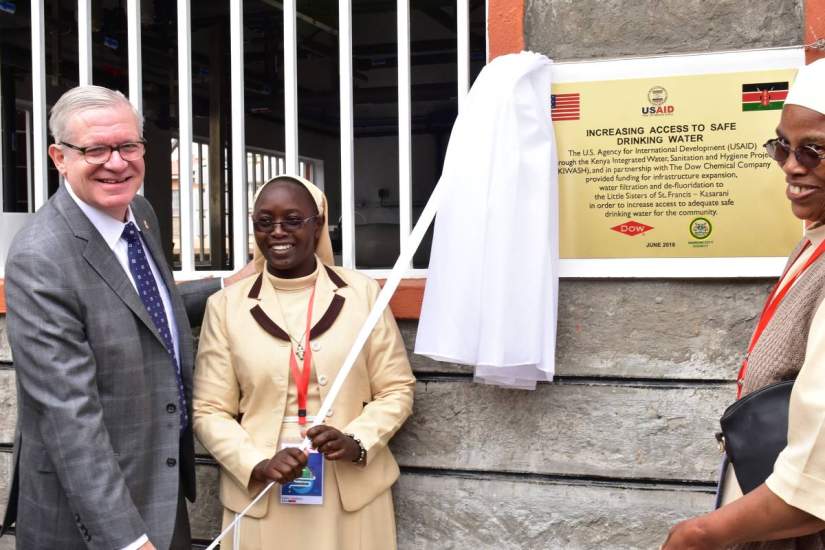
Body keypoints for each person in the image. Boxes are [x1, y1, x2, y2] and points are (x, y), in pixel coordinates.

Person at [0, 85, 253, 549]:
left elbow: (141, 304)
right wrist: (127, 540)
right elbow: (68, 418)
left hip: (159, 484)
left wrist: (223, 288)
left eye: (128, 145)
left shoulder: (138, 210)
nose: (116, 162)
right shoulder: (42, 257)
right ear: (59, 157)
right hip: (88, 515)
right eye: (95, 148)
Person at [193, 175, 415, 550]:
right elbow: (209, 409)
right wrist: (257, 463)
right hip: (263, 485)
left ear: (317, 225)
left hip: (350, 488)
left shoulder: (361, 293)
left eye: (293, 220)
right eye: (265, 222)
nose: (278, 232)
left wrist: (357, 440)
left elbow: (396, 388)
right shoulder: (226, 306)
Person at [662, 59, 825, 549]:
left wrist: (697, 535)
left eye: (813, 150)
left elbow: (813, 483)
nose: (792, 166)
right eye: (782, 147)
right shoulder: (815, 235)